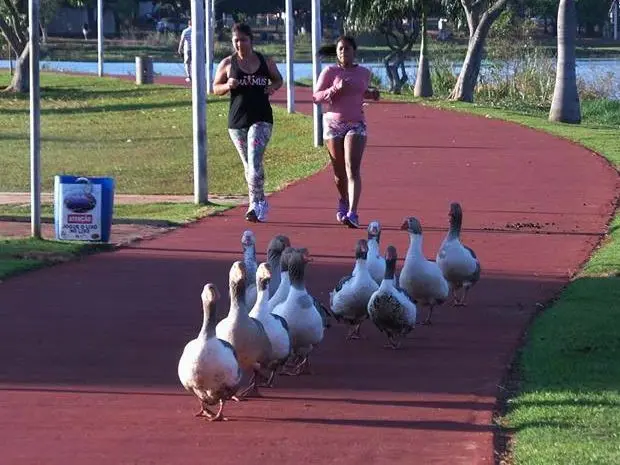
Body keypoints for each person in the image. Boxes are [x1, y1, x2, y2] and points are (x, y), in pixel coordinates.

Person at [212, 23, 283, 223]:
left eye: (243, 39)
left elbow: (278, 79)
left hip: (261, 118)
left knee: (253, 159)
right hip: (237, 121)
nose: (240, 44)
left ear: (251, 40)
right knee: (249, 165)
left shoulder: (264, 61)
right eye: (236, 40)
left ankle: (255, 204)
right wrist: (227, 85)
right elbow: (215, 88)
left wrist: (272, 88)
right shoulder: (228, 63)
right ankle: (259, 201)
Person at [312, 35, 380, 229]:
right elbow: (317, 97)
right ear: (337, 52)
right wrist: (334, 89)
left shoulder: (364, 73)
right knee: (339, 173)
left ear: (354, 51)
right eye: (340, 49)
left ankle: (353, 212)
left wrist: (372, 94)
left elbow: (360, 92)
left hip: (356, 124)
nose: (344, 53)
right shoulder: (329, 72)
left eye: (347, 49)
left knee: (352, 168)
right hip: (333, 125)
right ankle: (343, 199)